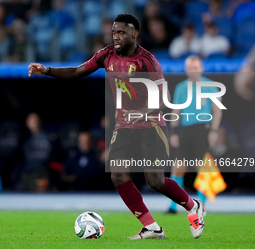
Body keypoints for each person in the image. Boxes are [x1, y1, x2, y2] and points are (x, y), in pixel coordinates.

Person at [29, 14, 205, 239]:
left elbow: (163, 98)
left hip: (152, 126)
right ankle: (150, 226)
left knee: (155, 181)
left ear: (134, 33)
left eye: (121, 32)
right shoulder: (106, 55)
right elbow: (76, 72)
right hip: (124, 128)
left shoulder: (147, 61)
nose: (116, 37)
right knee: (118, 175)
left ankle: (193, 207)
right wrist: (47, 70)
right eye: (114, 33)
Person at [166, 55, 222, 214]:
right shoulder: (181, 87)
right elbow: (176, 110)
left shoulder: (211, 86)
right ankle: (173, 206)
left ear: (201, 68)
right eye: (191, 67)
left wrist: (214, 131)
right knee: (178, 167)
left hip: (203, 128)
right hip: (187, 128)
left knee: (202, 166)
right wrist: (174, 132)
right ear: (186, 70)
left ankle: (201, 206)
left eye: (196, 67)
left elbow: (217, 111)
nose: (194, 70)